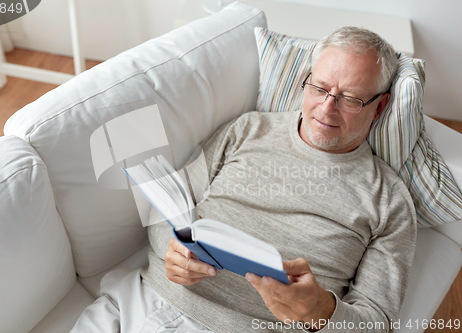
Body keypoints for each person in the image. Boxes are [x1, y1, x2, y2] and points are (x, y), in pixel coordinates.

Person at [71, 27, 417, 333]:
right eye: (320, 88)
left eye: (350, 99)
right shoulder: (250, 129)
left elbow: (376, 322)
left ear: (380, 105)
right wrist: (170, 250)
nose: (326, 109)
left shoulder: (390, 200)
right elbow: (171, 202)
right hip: (144, 302)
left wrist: (319, 311)